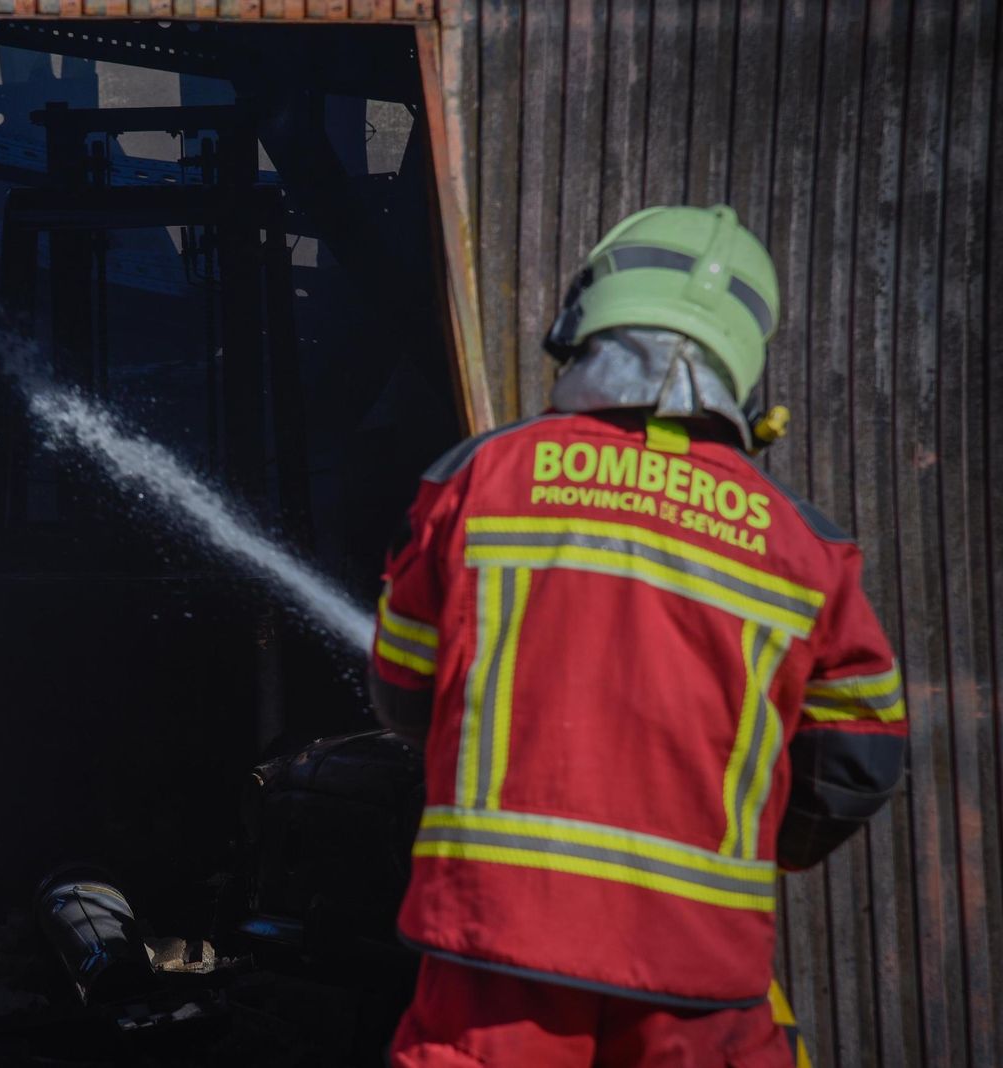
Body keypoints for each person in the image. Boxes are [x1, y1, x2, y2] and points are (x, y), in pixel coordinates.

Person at [369, 205, 906, 1067]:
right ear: (743, 350)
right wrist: (755, 841)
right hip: (702, 972)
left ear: (590, 316)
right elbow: (859, 762)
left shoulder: (478, 478)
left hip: (495, 949)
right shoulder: (804, 546)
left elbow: (401, 688)